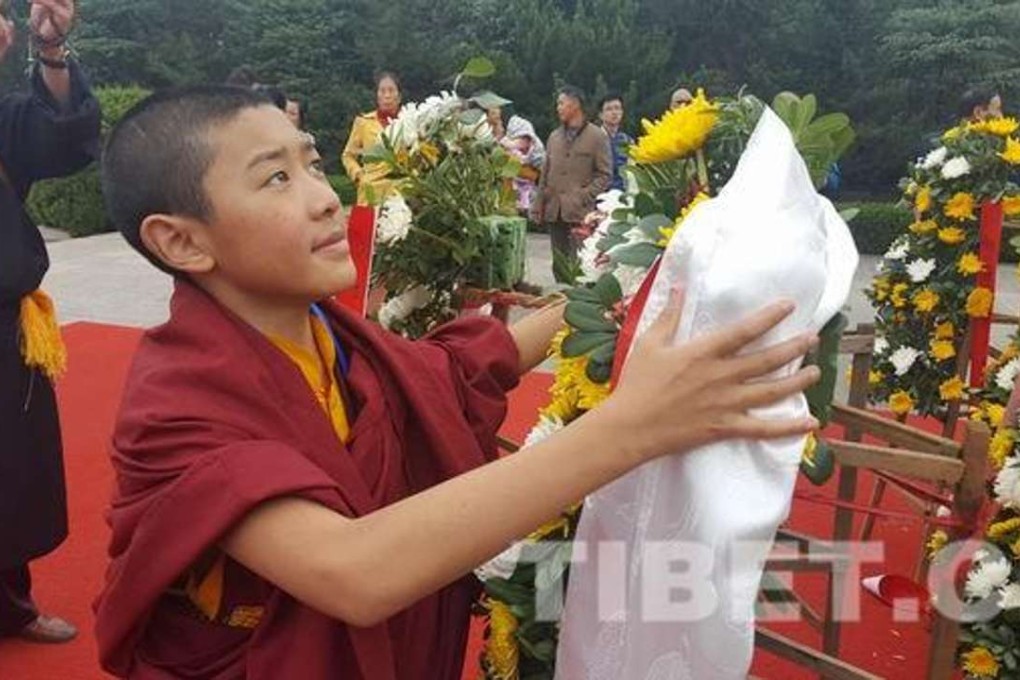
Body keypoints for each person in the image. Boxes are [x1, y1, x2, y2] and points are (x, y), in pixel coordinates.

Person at [93, 86, 820, 678]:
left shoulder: (331, 339)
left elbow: (460, 368)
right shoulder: (176, 403)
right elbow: (354, 571)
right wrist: (635, 425)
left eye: (313, 165)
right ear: (181, 240)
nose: (322, 197)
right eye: (276, 178)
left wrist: (616, 298)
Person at [0, 0, 100, 644]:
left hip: (0, 325)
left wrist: (53, 51)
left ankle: (9, 605)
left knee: (8, 467)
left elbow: (65, 135)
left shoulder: (7, 117)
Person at [531, 85, 611, 282]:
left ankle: (576, 301)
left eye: (561, 103)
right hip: (554, 208)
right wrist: (538, 203)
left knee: (579, 264)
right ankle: (560, 301)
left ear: (575, 104)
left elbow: (604, 175)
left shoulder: (597, 136)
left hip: (580, 212)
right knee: (559, 263)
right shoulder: (554, 137)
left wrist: (584, 195)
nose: (558, 108)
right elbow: (545, 173)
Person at [342, 71, 401, 206]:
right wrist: (359, 176)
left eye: (391, 90)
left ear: (399, 96)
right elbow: (348, 155)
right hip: (370, 191)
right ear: (377, 95)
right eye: (382, 91)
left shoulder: (407, 121)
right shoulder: (363, 122)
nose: (387, 95)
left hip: (400, 191)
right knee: (367, 227)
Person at [598, 92, 633, 191]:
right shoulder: (592, 140)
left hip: (623, 196)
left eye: (617, 108)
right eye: (609, 109)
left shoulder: (628, 141)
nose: (614, 112)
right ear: (601, 115)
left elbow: (632, 174)